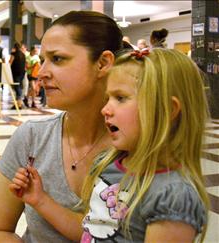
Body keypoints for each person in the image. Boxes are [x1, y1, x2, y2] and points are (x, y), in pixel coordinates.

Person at [10, 48, 209, 242]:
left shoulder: (172, 196)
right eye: (108, 98)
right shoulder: (109, 165)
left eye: (120, 98)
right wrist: (40, 200)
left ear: (167, 110)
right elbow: (90, 231)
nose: (105, 109)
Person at [0, 10, 122, 242]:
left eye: (57, 59)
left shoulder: (136, 146)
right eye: (42, 61)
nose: (42, 73)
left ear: (102, 63)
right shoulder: (31, 137)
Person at [9, 42, 26, 109]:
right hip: (22, 73)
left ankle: (19, 103)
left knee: (17, 87)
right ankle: (17, 104)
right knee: (18, 86)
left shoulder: (14, 54)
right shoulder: (23, 54)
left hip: (15, 73)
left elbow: (10, 63)